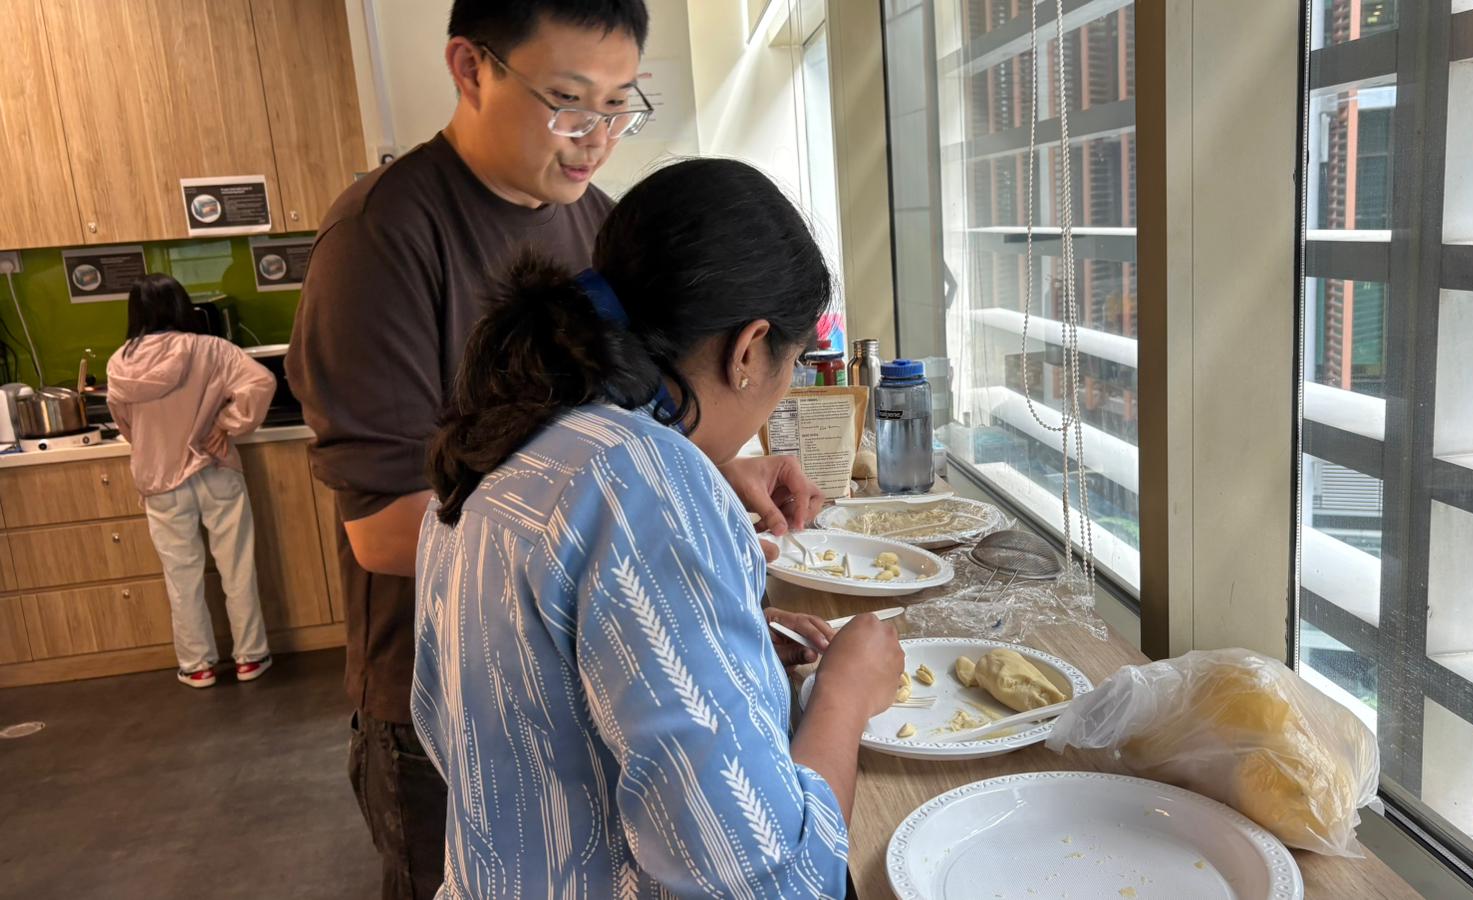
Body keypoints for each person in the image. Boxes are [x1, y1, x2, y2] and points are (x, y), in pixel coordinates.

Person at [287, 2, 823, 895]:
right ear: (471, 68)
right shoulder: (382, 239)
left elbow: (602, 454)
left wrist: (710, 482)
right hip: (452, 703)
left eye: (620, 105)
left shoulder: (595, 218)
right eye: (570, 102)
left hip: (587, 680)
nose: (597, 138)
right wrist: (663, 558)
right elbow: (387, 529)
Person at [413, 157, 904, 898]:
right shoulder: (644, 478)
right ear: (749, 350)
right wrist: (846, 690)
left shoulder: (507, 436)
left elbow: (501, 714)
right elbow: (773, 879)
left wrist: (721, 649)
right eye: (794, 363)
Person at [106, 274, 276, 689]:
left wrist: (152, 445)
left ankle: (197, 666)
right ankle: (250, 657)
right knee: (237, 568)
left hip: (160, 478)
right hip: (215, 468)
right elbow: (263, 381)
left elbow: (124, 422)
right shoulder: (212, 349)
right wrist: (227, 423)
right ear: (183, 306)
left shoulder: (119, 363)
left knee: (181, 577)